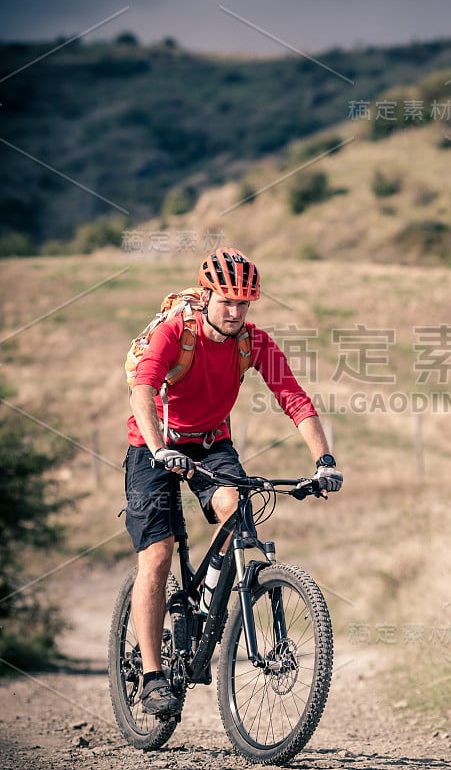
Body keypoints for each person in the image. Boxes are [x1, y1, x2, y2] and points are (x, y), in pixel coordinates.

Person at [124, 246, 342, 715]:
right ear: (205, 297)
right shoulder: (173, 334)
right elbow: (142, 389)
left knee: (236, 509)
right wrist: (161, 448)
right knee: (158, 555)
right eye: (228, 301)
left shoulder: (252, 342)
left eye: (244, 303)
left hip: (210, 442)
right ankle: (151, 674)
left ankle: (207, 605)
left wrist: (323, 460)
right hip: (153, 444)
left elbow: (294, 398)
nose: (236, 311)